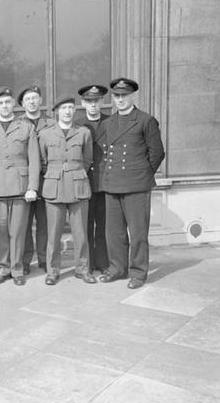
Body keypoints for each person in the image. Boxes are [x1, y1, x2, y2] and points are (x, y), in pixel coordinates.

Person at [97, 78, 165, 289]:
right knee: (114, 233)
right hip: (112, 184)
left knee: (137, 233)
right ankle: (117, 267)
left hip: (137, 185)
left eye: (124, 96)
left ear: (132, 96)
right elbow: (104, 152)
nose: (120, 100)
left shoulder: (146, 120)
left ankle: (138, 272)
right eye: (116, 96)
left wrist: (142, 174)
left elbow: (157, 153)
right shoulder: (107, 123)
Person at [0, 86, 40, 286]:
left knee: (18, 231)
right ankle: (2, 269)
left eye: (7, 102)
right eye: (0, 103)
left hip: (20, 188)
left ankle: (17, 269)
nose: (4, 106)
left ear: (14, 103)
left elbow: (34, 161)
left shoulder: (26, 128)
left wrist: (32, 187)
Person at [39, 97, 96, 285]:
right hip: (54, 188)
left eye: (71, 107)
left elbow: (88, 159)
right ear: (57, 111)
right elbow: (43, 161)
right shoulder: (46, 134)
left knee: (81, 233)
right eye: (63, 108)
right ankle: (53, 270)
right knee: (53, 234)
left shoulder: (83, 133)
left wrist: (75, 173)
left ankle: (82, 269)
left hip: (78, 186)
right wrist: (55, 173)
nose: (67, 111)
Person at [16, 85, 54, 275]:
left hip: (46, 178)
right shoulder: (17, 124)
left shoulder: (51, 123)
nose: (32, 102)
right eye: (28, 99)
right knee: (23, 221)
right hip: (24, 179)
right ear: (22, 104)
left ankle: (44, 258)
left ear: (40, 101)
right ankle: (24, 260)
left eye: (35, 98)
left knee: (44, 222)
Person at [76, 84, 110, 274]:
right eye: (89, 101)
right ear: (83, 103)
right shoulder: (78, 125)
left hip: (105, 182)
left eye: (96, 101)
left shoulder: (111, 122)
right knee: (86, 225)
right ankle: (87, 263)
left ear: (102, 101)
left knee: (104, 225)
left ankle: (103, 263)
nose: (93, 105)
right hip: (85, 182)